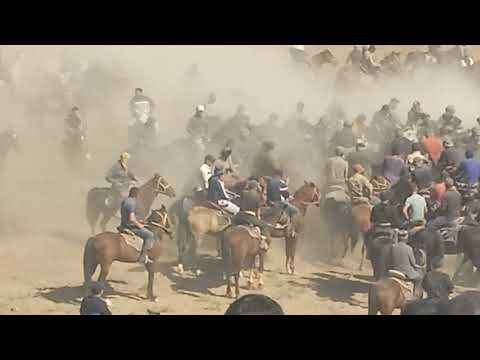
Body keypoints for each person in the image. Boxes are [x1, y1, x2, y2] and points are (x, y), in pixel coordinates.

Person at [120, 187, 155, 264]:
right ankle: (142, 257)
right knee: (150, 235)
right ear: (136, 194)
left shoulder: (125, 200)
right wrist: (139, 225)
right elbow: (132, 219)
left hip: (123, 223)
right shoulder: (132, 203)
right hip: (130, 227)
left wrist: (140, 221)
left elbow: (128, 216)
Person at [232, 180, 270, 249]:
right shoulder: (258, 196)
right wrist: (258, 218)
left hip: (240, 216)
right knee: (264, 226)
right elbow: (258, 211)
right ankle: (262, 243)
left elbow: (239, 204)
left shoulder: (243, 193)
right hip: (251, 218)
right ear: (256, 187)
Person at [387, 230, 424, 297]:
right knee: (419, 279)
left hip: (394, 270)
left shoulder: (392, 247)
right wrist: (419, 266)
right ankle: (415, 296)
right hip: (406, 272)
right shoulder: (409, 248)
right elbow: (413, 263)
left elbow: (389, 259)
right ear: (406, 238)